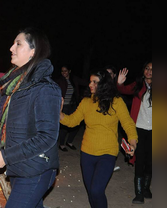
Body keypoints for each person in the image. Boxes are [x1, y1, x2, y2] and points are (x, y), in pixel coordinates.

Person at [0, 27, 61, 208]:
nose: (11, 48)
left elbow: (47, 137)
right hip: (19, 166)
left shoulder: (45, 89)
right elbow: (3, 122)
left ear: (33, 52)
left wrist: (7, 156)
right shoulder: (13, 87)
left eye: (18, 44)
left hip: (36, 169)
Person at [60, 69, 138, 208]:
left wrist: (132, 143)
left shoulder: (116, 102)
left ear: (103, 84)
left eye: (94, 82)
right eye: (90, 81)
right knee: (91, 191)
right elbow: (72, 121)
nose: (90, 84)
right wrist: (58, 113)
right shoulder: (86, 102)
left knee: (97, 190)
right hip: (87, 152)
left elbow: (128, 123)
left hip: (107, 153)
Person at [117, 61, 152, 204]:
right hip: (139, 129)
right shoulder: (137, 85)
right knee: (140, 160)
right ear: (143, 70)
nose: (150, 71)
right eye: (147, 68)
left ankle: (146, 188)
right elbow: (122, 90)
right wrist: (118, 83)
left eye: (153, 69)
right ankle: (139, 193)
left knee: (152, 161)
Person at [55, 65, 88, 151]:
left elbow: (85, 82)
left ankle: (69, 142)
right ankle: (62, 144)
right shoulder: (59, 81)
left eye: (65, 71)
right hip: (64, 106)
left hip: (73, 105)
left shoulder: (74, 79)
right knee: (65, 125)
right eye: (62, 71)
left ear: (69, 71)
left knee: (76, 124)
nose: (63, 73)